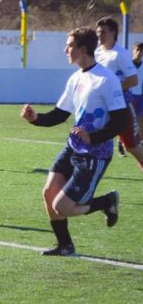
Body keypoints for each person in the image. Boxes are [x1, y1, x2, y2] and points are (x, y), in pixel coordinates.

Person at [20, 27, 121, 256]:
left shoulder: (106, 80)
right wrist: (35, 119)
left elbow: (120, 122)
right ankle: (65, 245)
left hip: (94, 155)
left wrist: (93, 137)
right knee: (48, 193)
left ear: (82, 49)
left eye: (69, 45)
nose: (65, 49)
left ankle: (106, 201)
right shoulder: (76, 78)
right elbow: (60, 115)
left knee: (62, 207)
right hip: (73, 147)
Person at [95, 17, 143, 171]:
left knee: (131, 146)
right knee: (91, 138)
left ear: (113, 32)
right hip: (102, 106)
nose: (99, 36)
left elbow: (133, 80)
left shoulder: (120, 53)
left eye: (103, 32)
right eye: (98, 32)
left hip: (121, 106)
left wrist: (112, 89)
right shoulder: (97, 52)